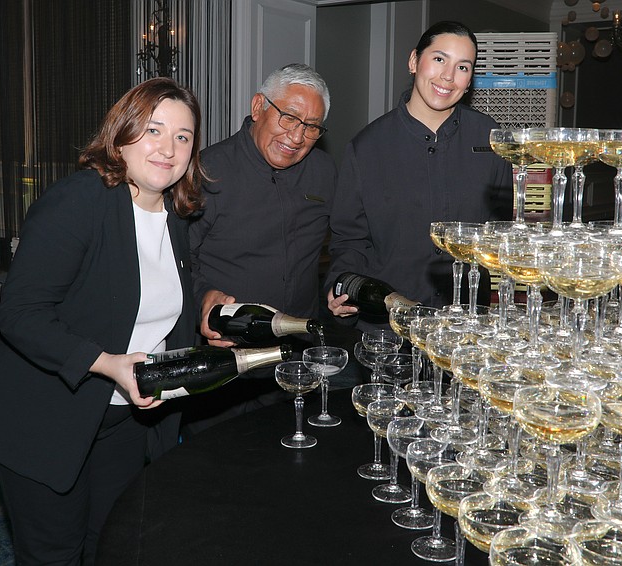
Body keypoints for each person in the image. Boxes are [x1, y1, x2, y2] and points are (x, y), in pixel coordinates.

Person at [0, 77, 203, 565]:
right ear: (121, 134)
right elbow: (19, 313)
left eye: (183, 136)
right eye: (154, 130)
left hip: (126, 423)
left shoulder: (176, 216)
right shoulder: (80, 201)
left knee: (112, 546)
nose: (168, 148)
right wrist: (106, 363)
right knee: (56, 555)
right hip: (49, 421)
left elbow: (155, 313)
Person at [326, 21, 513, 324]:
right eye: (439, 59)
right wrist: (340, 286)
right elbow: (349, 240)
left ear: (470, 80)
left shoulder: (491, 139)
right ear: (414, 61)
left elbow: (502, 229)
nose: (448, 76)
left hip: (465, 327)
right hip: (388, 328)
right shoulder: (366, 147)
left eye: (463, 67)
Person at [186, 63, 337, 431]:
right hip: (223, 360)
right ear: (258, 107)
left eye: (312, 126)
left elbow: (348, 238)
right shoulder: (206, 171)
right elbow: (175, 260)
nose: (298, 136)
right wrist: (201, 296)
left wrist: (341, 279)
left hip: (294, 362)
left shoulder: (325, 172)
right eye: (289, 117)